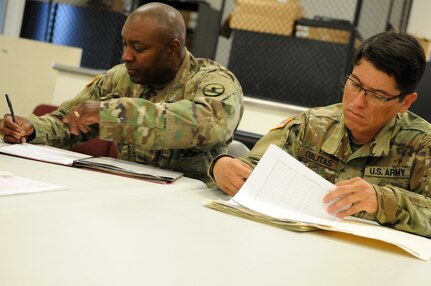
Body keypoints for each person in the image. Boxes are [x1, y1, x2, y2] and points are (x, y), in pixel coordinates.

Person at [210, 31, 431, 237]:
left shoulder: (422, 144)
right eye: (355, 84)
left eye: (377, 95)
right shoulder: (311, 126)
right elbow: (252, 169)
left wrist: (385, 201)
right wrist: (222, 167)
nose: (358, 101)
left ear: (406, 102)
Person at [0, 2, 244, 184]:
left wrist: (111, 114)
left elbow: (204, 124)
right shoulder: (120, 78)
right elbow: (69, 119)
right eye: (125, 44)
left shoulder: (214, 81)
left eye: (138, 48)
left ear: (172, 49)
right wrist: (31, 129)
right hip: (123, 191)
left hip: (188, 204)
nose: (126, 56)